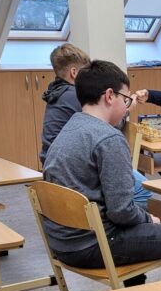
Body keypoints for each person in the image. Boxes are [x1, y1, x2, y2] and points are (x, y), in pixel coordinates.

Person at [43, 60, 161, 284]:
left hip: (62, 241)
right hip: (94, 243)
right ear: (109, 96)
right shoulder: (109, 138)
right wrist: (148, 219)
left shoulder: (71, 127)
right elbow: (121, 212)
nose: (126, 107)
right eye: (125, 99)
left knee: (140, 215)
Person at [41, 42, 150, 205]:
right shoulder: (73, 95)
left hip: (54, 163)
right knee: (145, 188)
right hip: (76, 165)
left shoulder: (56, 92)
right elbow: (105, 128)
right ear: (74, 73)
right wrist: (126, 108)